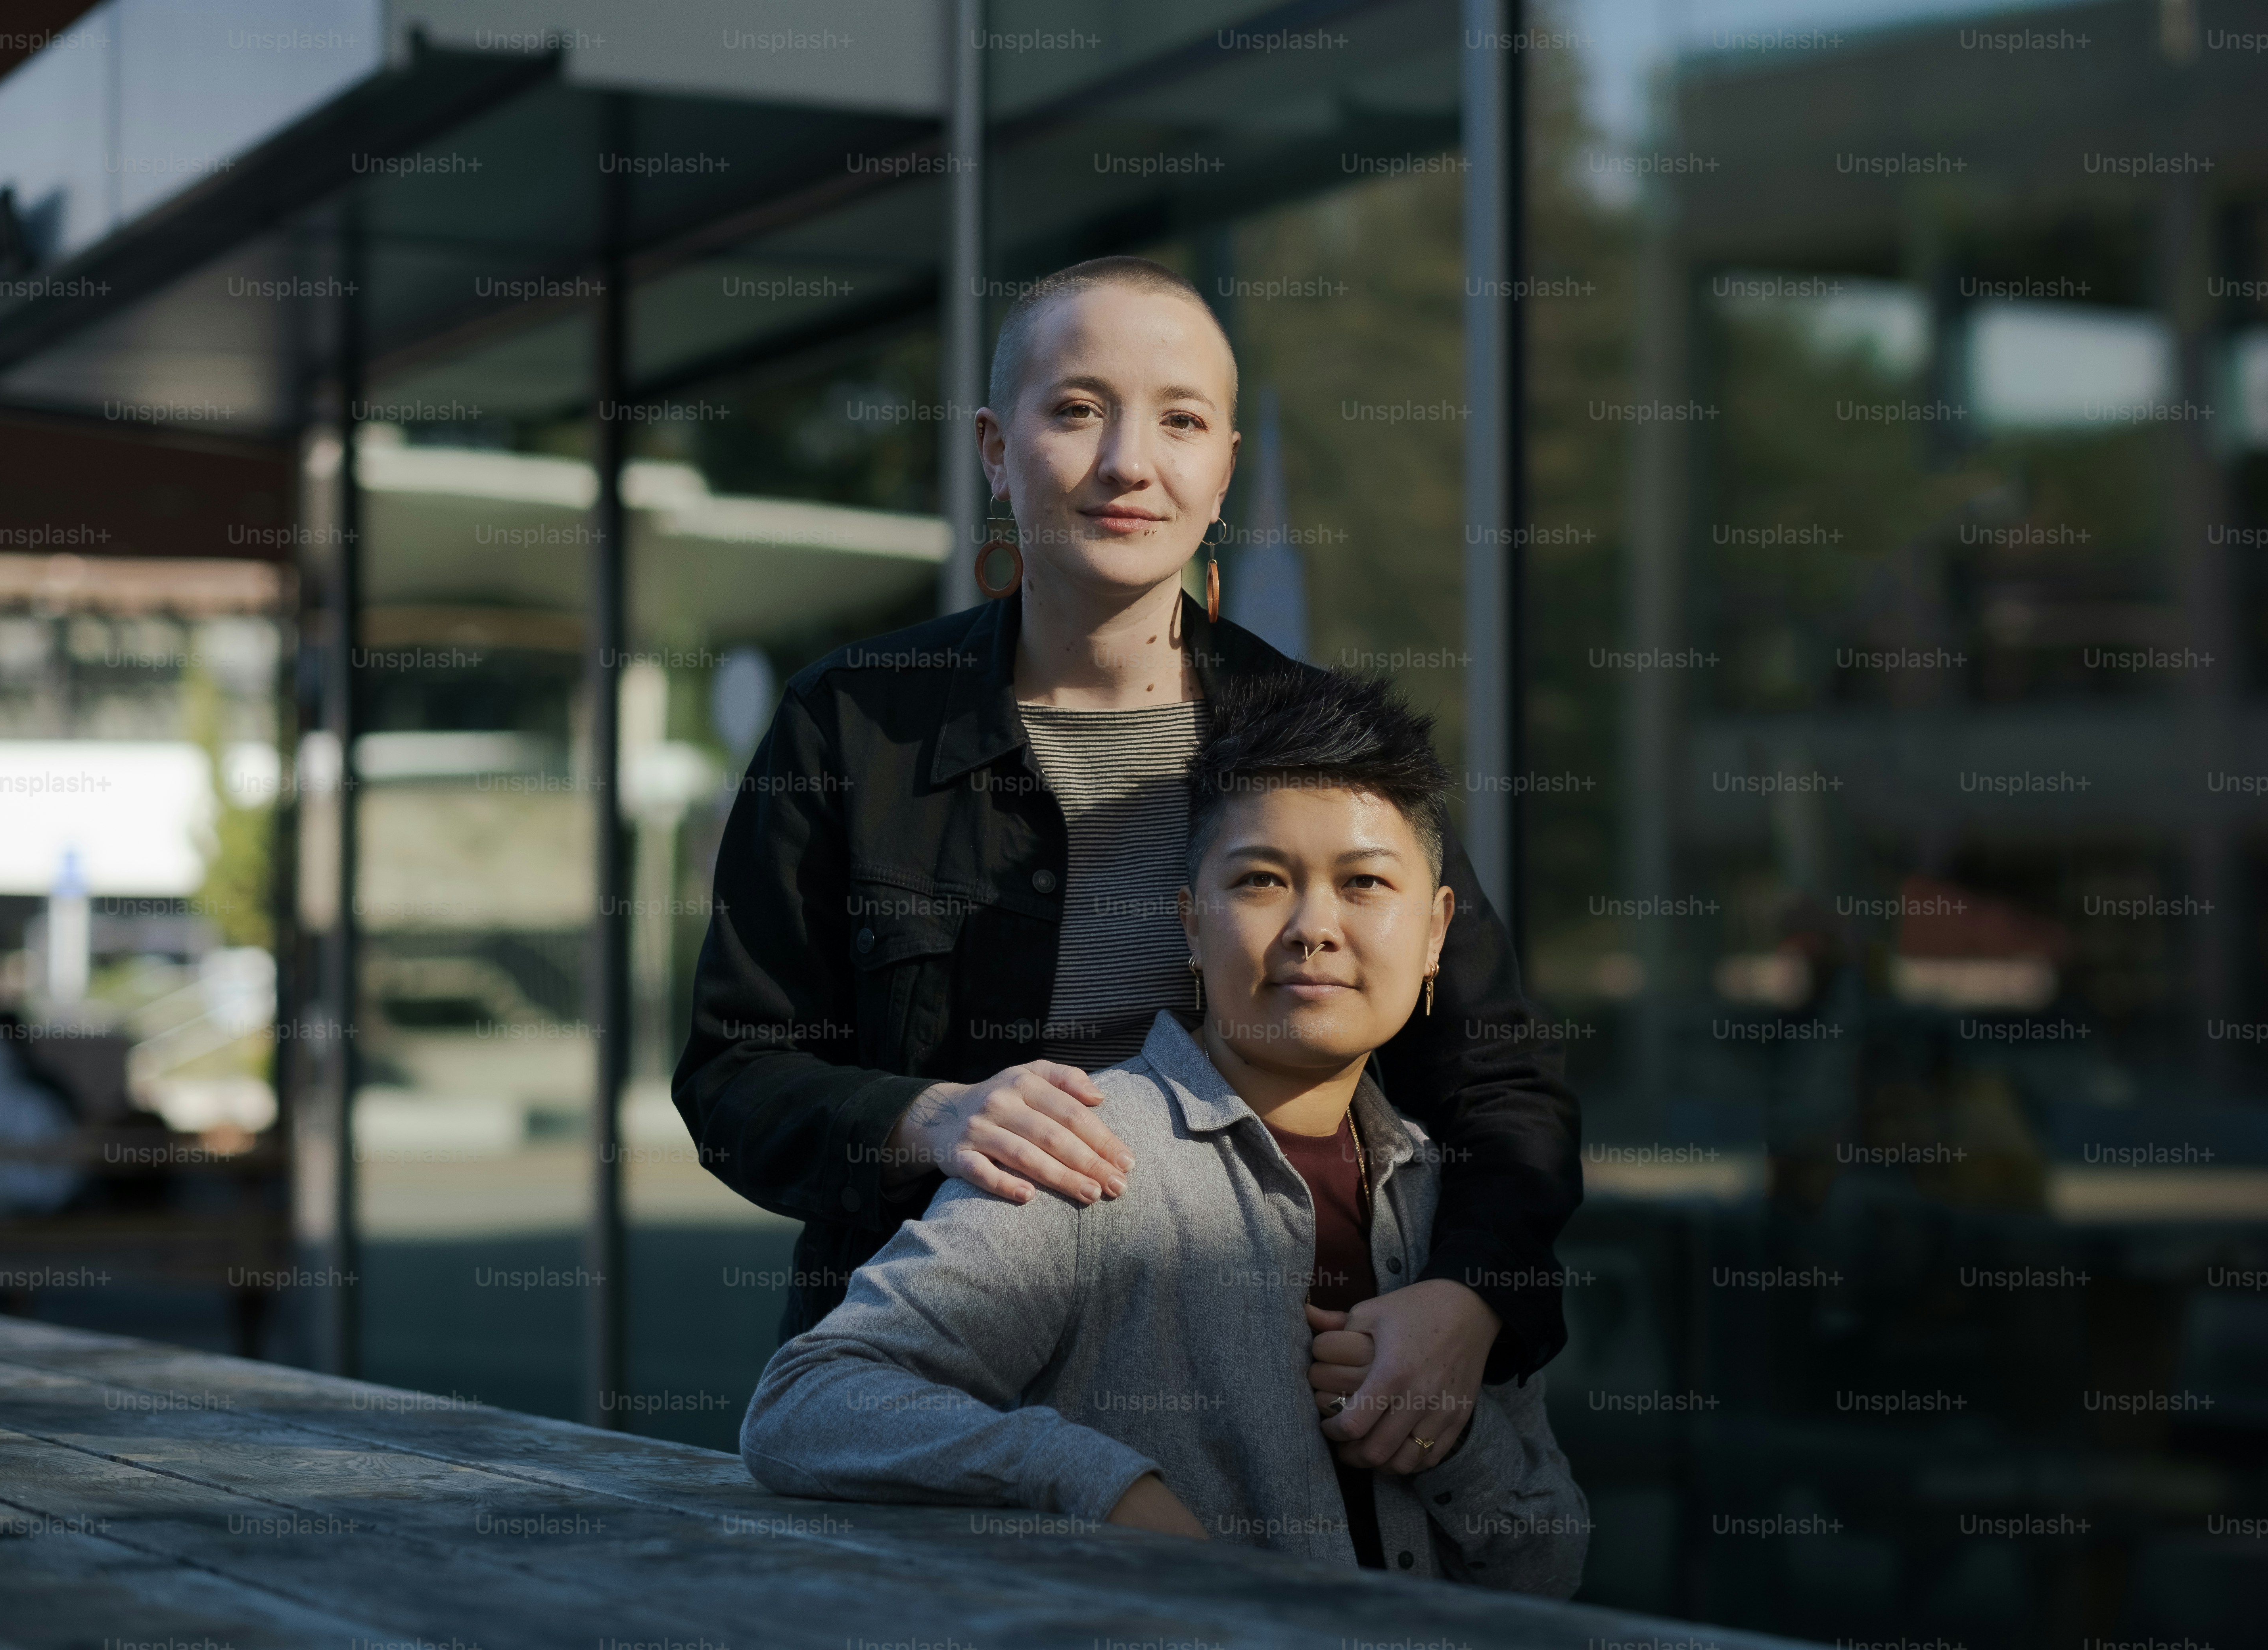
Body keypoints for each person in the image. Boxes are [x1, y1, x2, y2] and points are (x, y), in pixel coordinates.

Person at [673, 253, 1581, 1466]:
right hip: (946, 1393)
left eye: (1181, 421)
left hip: (1266, 1407)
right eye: (1077, 410)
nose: (1127, 464)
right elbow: (734, 1079)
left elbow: (1500, 1086)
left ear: (1225, 468)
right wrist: (925, 1119)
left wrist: (1474, 1299)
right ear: (996, 449)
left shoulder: (1323, 743)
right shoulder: (852, 725)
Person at [741, 670, 1589, 1592]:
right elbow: (809, 1402)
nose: (1313, 927)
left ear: (1435, 936)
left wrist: (1450, 1436)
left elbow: (1549, 1558)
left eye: (1364, 883)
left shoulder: (1444, 1201)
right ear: (1190, 925)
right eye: (1262, 880)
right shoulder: (1091, 1155)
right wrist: (1096, 1484)